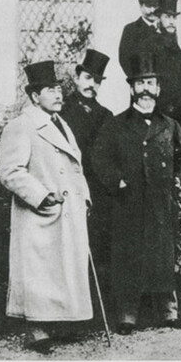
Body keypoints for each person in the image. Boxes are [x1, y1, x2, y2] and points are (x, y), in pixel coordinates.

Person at [91, 52, 181, 334]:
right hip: (129, 203)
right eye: (140, 84)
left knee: (162, 256)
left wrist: (179, 179)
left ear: (159, 89)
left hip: (161, 202)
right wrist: (117, 182)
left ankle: (168, 311)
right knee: (128, 258)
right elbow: (99, 157)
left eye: (151, 83)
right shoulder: (116, 124)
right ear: (132, 89)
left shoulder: (170, 125)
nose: (146, 89)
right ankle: (127, 316)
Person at [0, 61, 92, 353]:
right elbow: (11, 171)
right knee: (39, 271)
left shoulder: (62, 124)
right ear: (35, 96)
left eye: (60, 89)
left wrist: (84, 197)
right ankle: (36, 329)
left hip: (69, 210)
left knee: (63, 269)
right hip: (40, 213)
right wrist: (41, 196)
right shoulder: (21, 126)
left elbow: (75, 167)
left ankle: (61, 324)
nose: (59, 94)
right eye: (51, 90)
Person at [59, 49, 114, 280]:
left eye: (98, 81)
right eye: (88, 78)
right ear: (77, 77)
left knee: (99, 249)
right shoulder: (61, 111)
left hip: (99, 192)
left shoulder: (106, 115)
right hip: (69, 188)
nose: (93, 85)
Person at [153, 0, 181, 122]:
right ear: (159, 19)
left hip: (178, 108)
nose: (171, 21)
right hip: (161, 107)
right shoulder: (154, 44)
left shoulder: (174, 44)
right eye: (167, 17)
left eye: (174, 17)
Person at [117, 0, 162, 78]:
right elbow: (124, 59)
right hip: (140, 84)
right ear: (141, 6)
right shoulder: (130, 29)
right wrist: (136, 80)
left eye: (155, 6)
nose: (152, 10)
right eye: (149, 6)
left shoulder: (164, 30)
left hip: (163, 88)